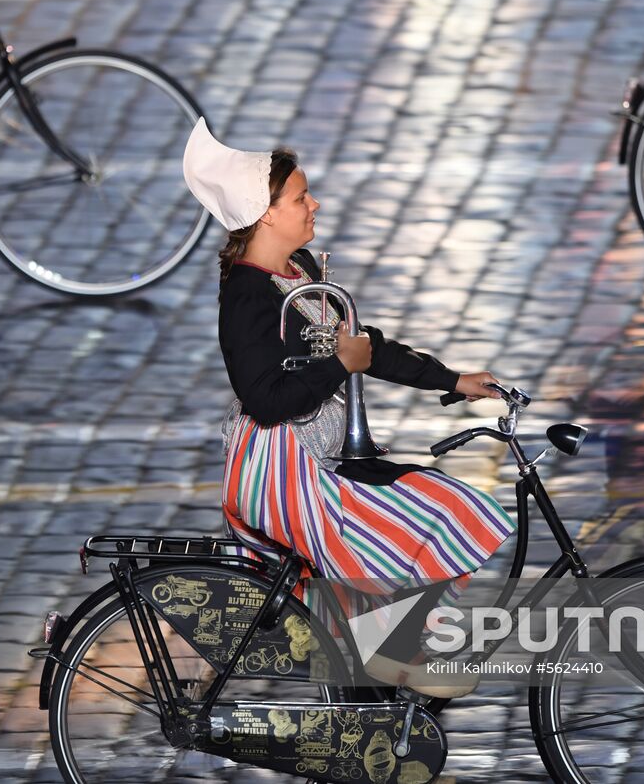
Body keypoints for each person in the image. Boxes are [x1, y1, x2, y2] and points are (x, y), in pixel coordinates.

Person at [182, 117, 516, 697]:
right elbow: (265, 399)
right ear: (266, 214)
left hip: (321, 457)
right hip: (280, 469)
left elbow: (364, 347)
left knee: (446, 505)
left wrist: (454, 380)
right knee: (395, 534)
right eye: (301, 196)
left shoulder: (303, 271)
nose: (315, 203)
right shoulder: (247, 292)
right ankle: (394, 656)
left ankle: (383, 668)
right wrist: (341, 365)